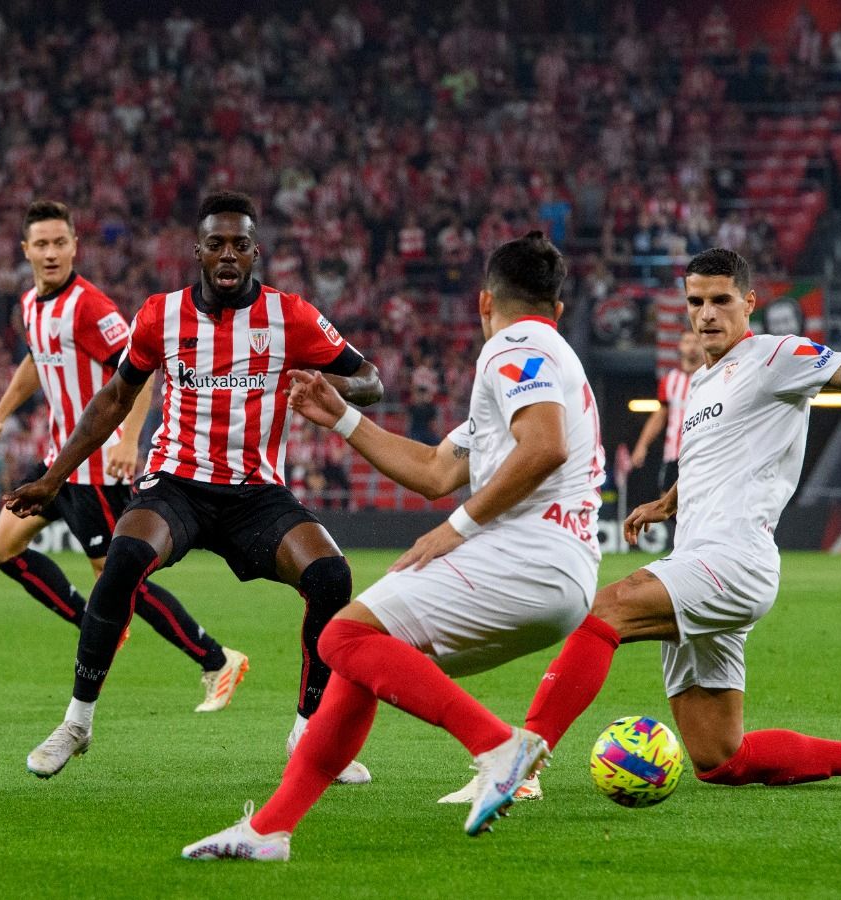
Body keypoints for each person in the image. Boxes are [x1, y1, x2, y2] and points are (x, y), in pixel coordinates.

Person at [477, 248, 841, 800]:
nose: (706, 314)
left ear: (749, 303)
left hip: (733, 562)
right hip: (701, 557)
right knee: (721, 759)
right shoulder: (703, 381)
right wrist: (670, 501)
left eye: (720, 301)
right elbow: (723, 460)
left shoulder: (774, 356)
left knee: (602, 611)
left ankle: (519, 765)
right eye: (695, 302)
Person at [182, 232, 604, 861]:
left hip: (525, 555)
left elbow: (544, 447)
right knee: (362, 655)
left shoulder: (515, 345)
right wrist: (344, 418)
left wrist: (455, 530)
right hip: (563, 572)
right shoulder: (550, 355)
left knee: (341, 639)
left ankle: (499, 747)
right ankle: (271, 829)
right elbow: (436, 469)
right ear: (559, 306)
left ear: (484, 302)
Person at [4, 192, 384, 782]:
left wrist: (338, 396)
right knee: (123, 559)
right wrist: (52, 479)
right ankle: (77, 723)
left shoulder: (292, 316)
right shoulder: (161, 314)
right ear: (198, 252)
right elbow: (113, 398)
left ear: (255, 252)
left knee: (331, 576)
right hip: (177, 483)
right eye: (216, 244)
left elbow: (370, 379)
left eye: (239, 244)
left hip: (256, 491)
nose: (228, 254)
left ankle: (309, 735)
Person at [0, 201, 245, 712]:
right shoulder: (32, 304)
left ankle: (217, 660)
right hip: (58, 465)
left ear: (75, 245)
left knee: (124, 581)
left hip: (95, 468)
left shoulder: (90, 306)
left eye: (60, 242)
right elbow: (37, 359)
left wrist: (127, 440)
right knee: (2, 549)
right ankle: (94, 622)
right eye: (42, 244)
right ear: (25, 250)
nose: (51, 253)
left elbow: (139, 367)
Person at [631, 330, 703, 495]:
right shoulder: (669, 381)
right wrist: (642, 445)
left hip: (702, 454)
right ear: (679, 347)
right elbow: (659, 416)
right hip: (674, 456)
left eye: (696, 341)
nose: (692, 346)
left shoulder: (711, 377)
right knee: (666, 502)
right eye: (687, 342)